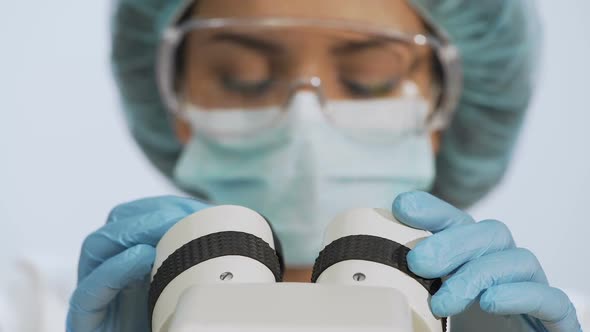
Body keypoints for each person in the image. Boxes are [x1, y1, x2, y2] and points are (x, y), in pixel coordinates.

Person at [66, 0, 583, 331]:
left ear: (444, 112)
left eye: (369, 79)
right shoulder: (30, 311)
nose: (304, 122)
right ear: (174, 104)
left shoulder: (531, 314)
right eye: (240, 77)